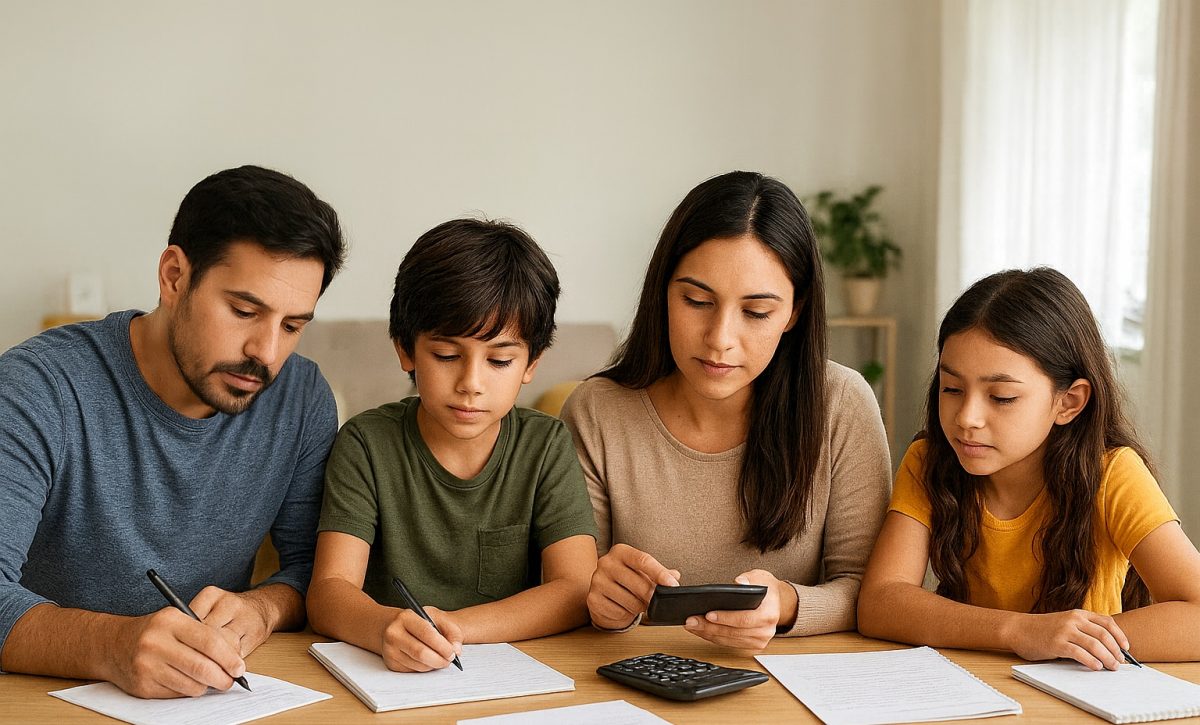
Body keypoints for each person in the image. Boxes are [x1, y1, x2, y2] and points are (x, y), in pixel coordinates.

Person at [0, 165, 346, 697]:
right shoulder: (36, 388)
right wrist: (113, 645)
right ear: (174, 276)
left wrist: (263, 606)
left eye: (293, 326)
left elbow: (308, 571)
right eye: (243, 310)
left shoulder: (300, 399)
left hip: (205, 700)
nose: (267, 353)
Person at [560, 171, 892, 651]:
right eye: (696, 300)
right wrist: (603, 599)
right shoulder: (596, 412)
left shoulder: (841, 403)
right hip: (634, 679)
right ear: (663, 292)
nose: (720, 339)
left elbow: (871, 589)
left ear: (794, 312)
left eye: (756, 312)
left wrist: (788, 604)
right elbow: (577, 589)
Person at [857, 268, 1200, 668]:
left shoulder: (1113, 473)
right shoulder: (928, 460)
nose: (967, 417)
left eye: (1001, 397)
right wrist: (1021, 631)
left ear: (1068, 402)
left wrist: (1067, 639)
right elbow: (880, 601)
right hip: (970, 689)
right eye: (952, 388)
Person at [306, 218, 598, 672]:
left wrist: (455, 628)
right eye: (446, 356)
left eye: (500, 360)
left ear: (531, 363)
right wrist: (385, 628)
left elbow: (576, 588)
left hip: (504, 674)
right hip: (389, 671)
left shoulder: (545, 445)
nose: (471, 384)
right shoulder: (366, 443)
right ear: (406, 350)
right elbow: (328, 592)